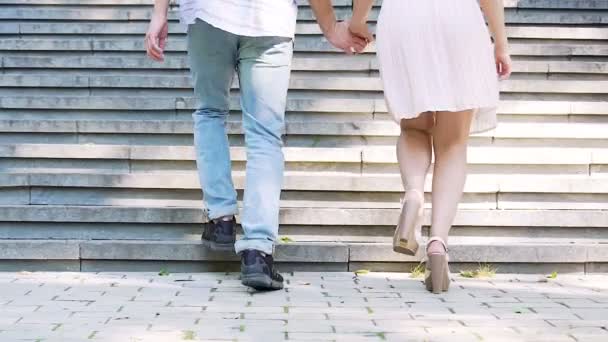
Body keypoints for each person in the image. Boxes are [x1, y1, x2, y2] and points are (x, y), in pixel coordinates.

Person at [145, 0, 367, 291]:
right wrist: (329, 26)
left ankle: (221, 218)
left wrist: (159, 13)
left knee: (210, 113)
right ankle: (257, 253)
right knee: (264, 135)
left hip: (209, 15)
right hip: (269, 20)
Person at [348, 0, 512, 293]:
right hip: (458, 18)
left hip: (403, 17)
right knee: (452, 143)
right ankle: (438, 244)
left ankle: (413, 194)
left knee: (413, 126)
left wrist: (358, 20)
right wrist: (501, 42)